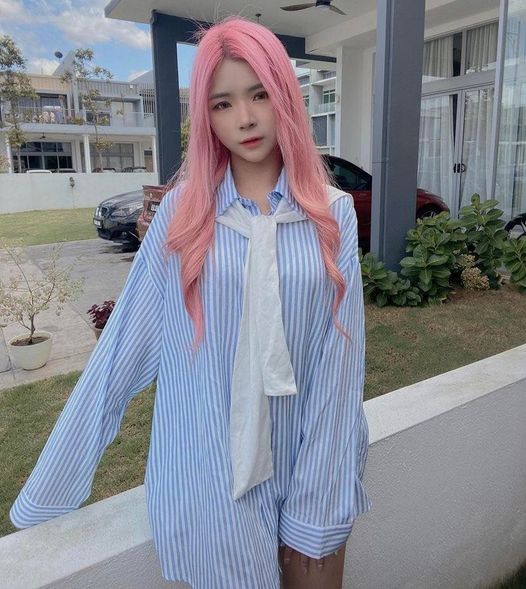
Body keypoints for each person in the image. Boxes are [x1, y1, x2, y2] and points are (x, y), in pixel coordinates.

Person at [9, 15, 372, 589]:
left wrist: (319, 497)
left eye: (259, 94)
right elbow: (121, 352)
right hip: (210, 475)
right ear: (206, 116)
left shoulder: (332, 213)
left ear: (285, 95)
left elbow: (340, 364)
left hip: (311, 461)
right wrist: (49, 492)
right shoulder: (183, 217)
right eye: (222, 103)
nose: (245, 118)